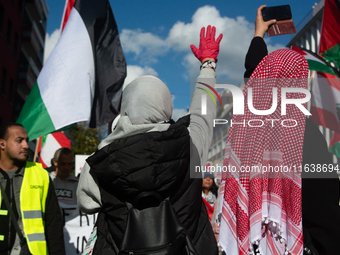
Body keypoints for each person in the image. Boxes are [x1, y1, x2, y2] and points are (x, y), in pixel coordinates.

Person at [77, 25, 222, 254]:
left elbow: (87, 204)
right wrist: (208, 63)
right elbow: (204, 112)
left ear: (125, 108)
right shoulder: (190, 144)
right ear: (165, 107)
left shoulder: (100, 160)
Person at [218, 5, 340, 255]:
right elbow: (325, 213)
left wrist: (258, 36)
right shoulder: (302, 134)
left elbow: (255, 78)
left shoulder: (245, 132)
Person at [0, 123, 65, 255]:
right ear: (2, 144)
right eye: (19, 141)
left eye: (26, 141)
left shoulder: (41, 175)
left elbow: (53, 225)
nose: (25, 145)